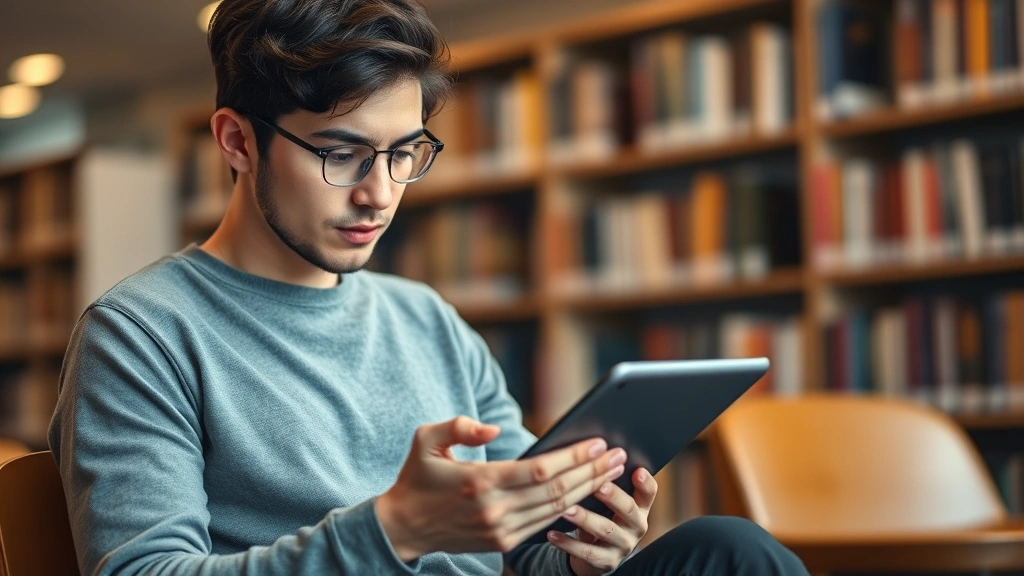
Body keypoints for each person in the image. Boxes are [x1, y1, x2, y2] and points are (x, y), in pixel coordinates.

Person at [48, 1, 810, 574]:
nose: (380, 194)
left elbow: (519, 554)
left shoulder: (428, 321)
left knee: (727, 549)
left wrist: (578, 551)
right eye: (342, 154)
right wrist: (394, 530)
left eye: (404, 153)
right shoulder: (141, 333)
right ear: (237, 140)